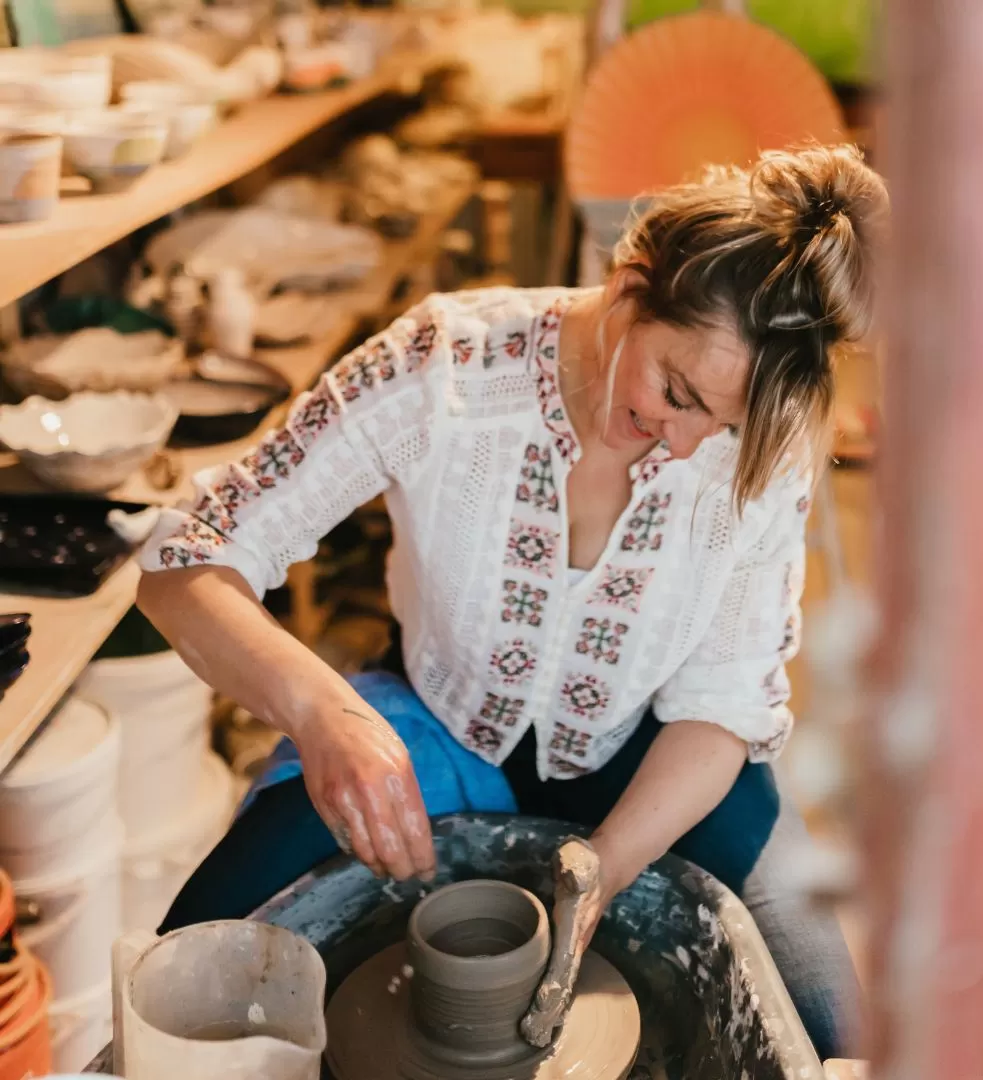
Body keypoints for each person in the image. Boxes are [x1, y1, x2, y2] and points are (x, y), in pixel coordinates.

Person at [137, 143, 887, 1059]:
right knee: (183, 977)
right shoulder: (446, 363)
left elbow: (725, 709)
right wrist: (320, 711)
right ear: (629, 281)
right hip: (437, 723)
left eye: (718, 424)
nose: (687, 445)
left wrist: (609, 867)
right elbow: (187, 560)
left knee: (832, 1036)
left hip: (654, 749)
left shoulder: (766, 448)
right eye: (676, 391)